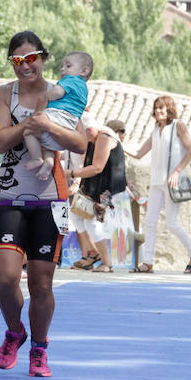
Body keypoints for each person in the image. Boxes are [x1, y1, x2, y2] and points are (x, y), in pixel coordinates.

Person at [0, 31, 87, 378]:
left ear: (43, 58)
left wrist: (49, 126)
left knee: (41, 284)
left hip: (50, 198)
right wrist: (30, 124)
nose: (25, 66)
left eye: (31, 59)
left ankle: (39, 349)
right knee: (5, 279)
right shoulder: (3, 94)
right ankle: (15, 331)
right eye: (17, 61)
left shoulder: (61, 92)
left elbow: (80, 143)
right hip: (9, 196)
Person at [127, 95, 191, 273]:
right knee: (150, 223)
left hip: (172, 182)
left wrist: (177, 172)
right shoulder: (156, 130)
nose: (159, 111)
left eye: (162, 108)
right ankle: (147, 263)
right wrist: (117, 144)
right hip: (156, 182)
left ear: (169, 109)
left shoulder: (178, 125)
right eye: (156, 108)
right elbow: (139, 153)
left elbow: (190, 151)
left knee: (171, 223)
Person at [67, 115, 127, 273]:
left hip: (108, 190)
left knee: (91, 223)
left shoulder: (105, 137)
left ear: (90, 130)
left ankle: (107, 262)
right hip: (93, 188)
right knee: (75, 215)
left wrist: (70, 173)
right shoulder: (93, 136)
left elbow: (97, 168)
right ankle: (93, 252)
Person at [23, 51, 92, 180]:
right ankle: (48, 162)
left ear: (84, 71)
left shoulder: (70, 80)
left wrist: (46, 96)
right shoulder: (83, 88)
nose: (62, 69)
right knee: (46, 144)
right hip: (71, 123)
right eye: (62, 66)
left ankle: (37, 158)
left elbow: (57, 93)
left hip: (57, 115)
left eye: (68, 66)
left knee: (29, 132)